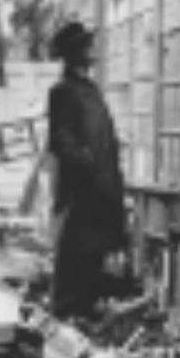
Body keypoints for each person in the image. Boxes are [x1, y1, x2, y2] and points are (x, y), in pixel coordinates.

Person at [47, 21, 129, 321]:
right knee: (75, 264)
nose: (93, 49)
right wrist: (89, 164)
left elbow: (104, 140)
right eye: (87, 45)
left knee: (96, 268)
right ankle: (65, 325)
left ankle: (87, 328)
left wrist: (112, 179)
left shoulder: (91, 91)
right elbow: (60, 140)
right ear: (75, 52)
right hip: (82, 195)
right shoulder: (63, 91)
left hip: (104, 193)